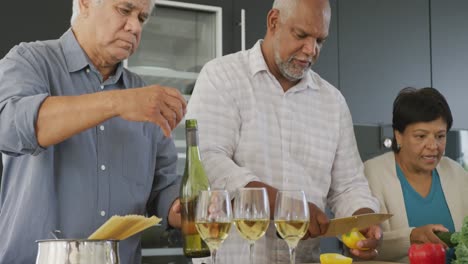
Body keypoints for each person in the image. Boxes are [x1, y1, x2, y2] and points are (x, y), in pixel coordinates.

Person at [186, 0, 381, 262]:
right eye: (301, 35)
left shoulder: (333, 102)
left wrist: (362, 218)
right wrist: (283, 205)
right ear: (273, 22)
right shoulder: (222, 77)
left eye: (320, 40)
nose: (311, 50)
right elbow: (207, 161)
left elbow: (348, 185)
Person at [0, 0, 187, 263]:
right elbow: (10, 127)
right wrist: (118, 102)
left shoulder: (144, 96)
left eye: (142, 18)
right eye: (124, 10)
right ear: (85, 3)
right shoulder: (29, 60)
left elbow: (163, 184)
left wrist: (179, 207)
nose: (134, 26)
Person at [364, 87, 468, 262]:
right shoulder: (372, 173)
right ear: (399, 136)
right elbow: (362, 246)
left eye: (440, 136)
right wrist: (411, 237)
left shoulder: (456, 172)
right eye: (421, 136)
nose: (433, 146)